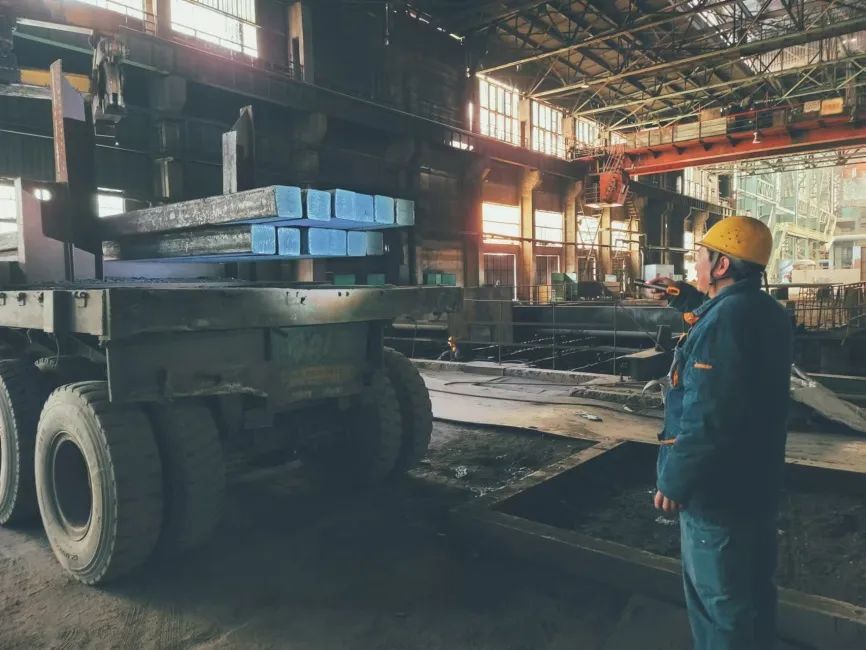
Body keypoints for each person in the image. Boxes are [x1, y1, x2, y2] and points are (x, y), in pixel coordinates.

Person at [648, 216, 792, 650]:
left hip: (718, 492)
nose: (695, 264)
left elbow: (709, 415)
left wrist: (675, 480)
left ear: (722, 265)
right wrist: (682, 296)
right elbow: (720, 316)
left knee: (719, 603)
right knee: (753, 593)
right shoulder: (764, 311)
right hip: (756, 480)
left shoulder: (725, 322)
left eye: (701, 257)